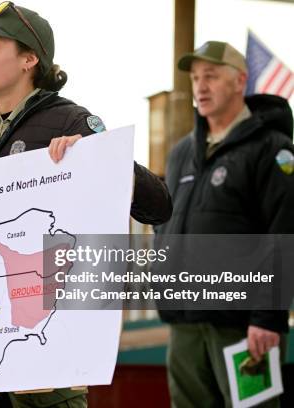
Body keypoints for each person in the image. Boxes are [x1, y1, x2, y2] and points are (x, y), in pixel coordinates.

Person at [0, 3, 172, 407]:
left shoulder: (71, 122)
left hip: (47, 358)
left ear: (29, 58)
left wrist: (101, 160)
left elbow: (158, 206)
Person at [155, 41, 294, 407]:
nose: (200, 86)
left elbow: (283, 235)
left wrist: (267, 316)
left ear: (239, 81)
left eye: (211, 77)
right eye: (196, 78)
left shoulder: (274, 149)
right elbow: (166, 225)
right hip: (184, 324)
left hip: (243, 326)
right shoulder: (181, 153)